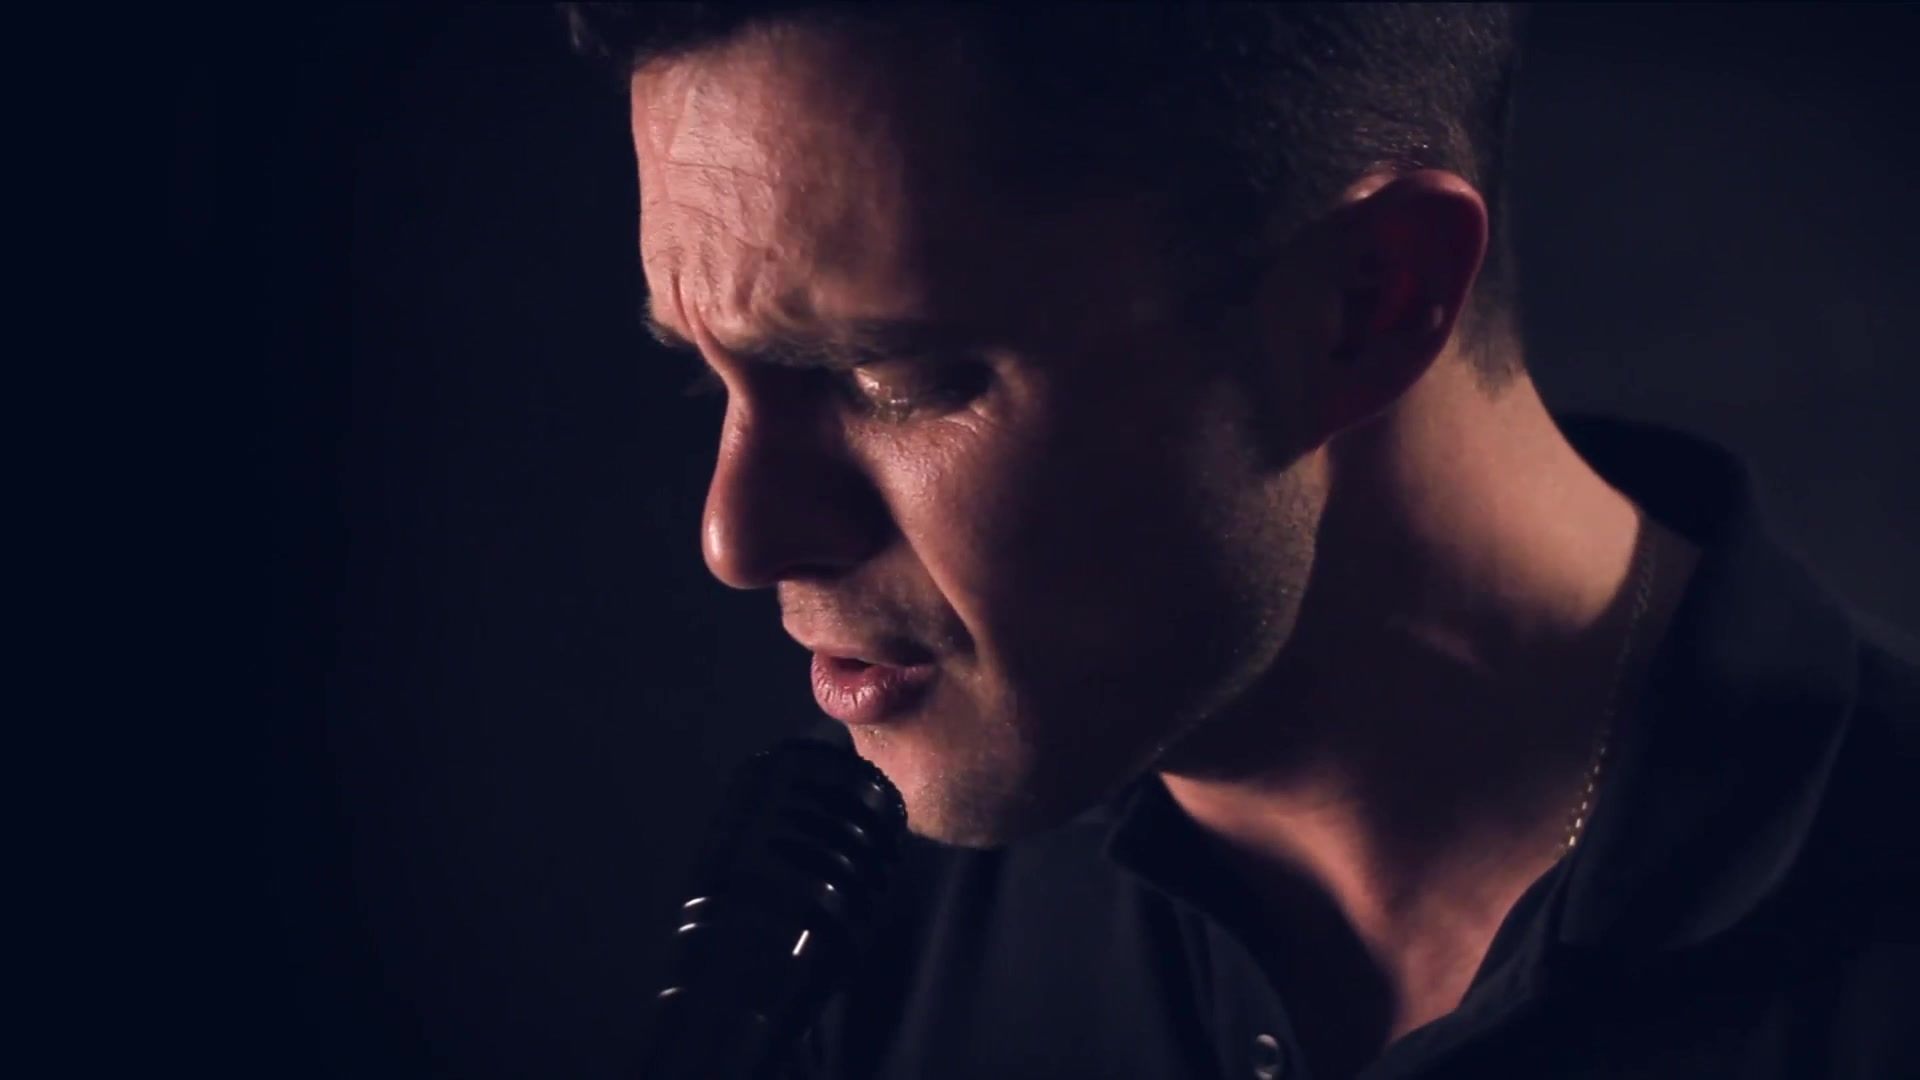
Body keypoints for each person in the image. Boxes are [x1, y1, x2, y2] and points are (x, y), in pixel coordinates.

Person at [561, 4, 1919, 1077]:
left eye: (889, 376)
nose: (736, 535)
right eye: (706, 377)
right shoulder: (845, 933)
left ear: (1364, 303)